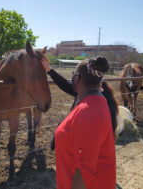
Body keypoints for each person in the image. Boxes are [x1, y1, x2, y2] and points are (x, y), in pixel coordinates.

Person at [48, 57, 116, 189]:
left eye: (73, 74)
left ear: (77, 78)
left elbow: (84, 172)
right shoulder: (97, 102)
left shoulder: (88, 112)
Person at [41, 58, 118, 150]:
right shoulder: (102, 98)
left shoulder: (86, 107)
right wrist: (49, 70)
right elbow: (65, 84)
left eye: (73, 73)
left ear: (78, 78)